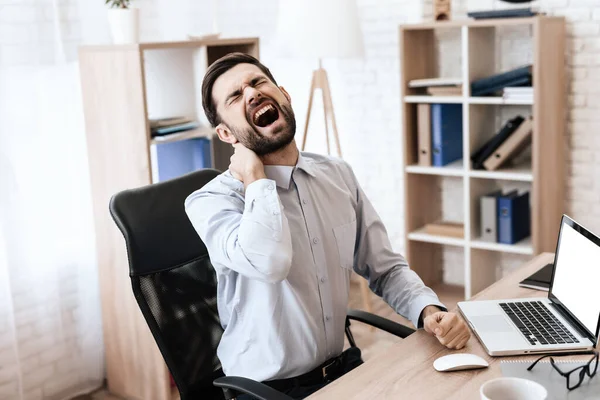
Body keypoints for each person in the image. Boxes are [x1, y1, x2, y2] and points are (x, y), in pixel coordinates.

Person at [185, 53, 471, 399]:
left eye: (258, 82)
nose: (251, 93)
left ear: (284, 95)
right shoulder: (210, 202)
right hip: (264, 391)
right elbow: (271, 262)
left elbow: (385, 268)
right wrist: (256, 180)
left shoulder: (337, 175)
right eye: (235, 96)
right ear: (226, 133)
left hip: (341, 372)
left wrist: (428, 310)